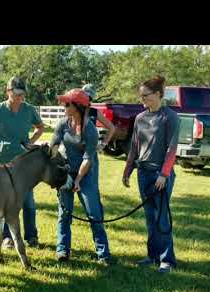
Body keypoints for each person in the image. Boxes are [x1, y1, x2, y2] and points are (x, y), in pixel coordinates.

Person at [0, 76, 45, 249]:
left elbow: (40, 127)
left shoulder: (29, 109)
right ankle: (7, 238)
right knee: (4, 203)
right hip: (1, 163)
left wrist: (31, 142)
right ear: (8, 92)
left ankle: (31, 236)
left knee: (28, 202)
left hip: (22, 164)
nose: (21, 97)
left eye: (23, 94)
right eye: (17, 93)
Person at [122, 75, 180, 274]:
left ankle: (167, 261)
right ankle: (152, 256)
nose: (142, 99)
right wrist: (127, 170)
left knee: (162, 217)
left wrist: (164, 174)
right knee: (149, 217)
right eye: (140, 96)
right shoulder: (140, 118)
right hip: (143, 173)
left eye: (145, 95)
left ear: (157, 94)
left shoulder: (170, 117)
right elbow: (135, 147)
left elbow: (172, 149)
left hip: (160, 175)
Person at [50, 88, 113, 265]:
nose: (64, 106)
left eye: (67, 103)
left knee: (94, 214)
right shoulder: (63, 123)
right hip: (66, 172)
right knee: (64, 214)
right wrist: (56, 168)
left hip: (86, 175)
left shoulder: (90, 130)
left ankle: (103, 253)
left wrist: (77, 180)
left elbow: (88, 159)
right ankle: (62, 249)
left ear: (78, 107)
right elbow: (54, 145)